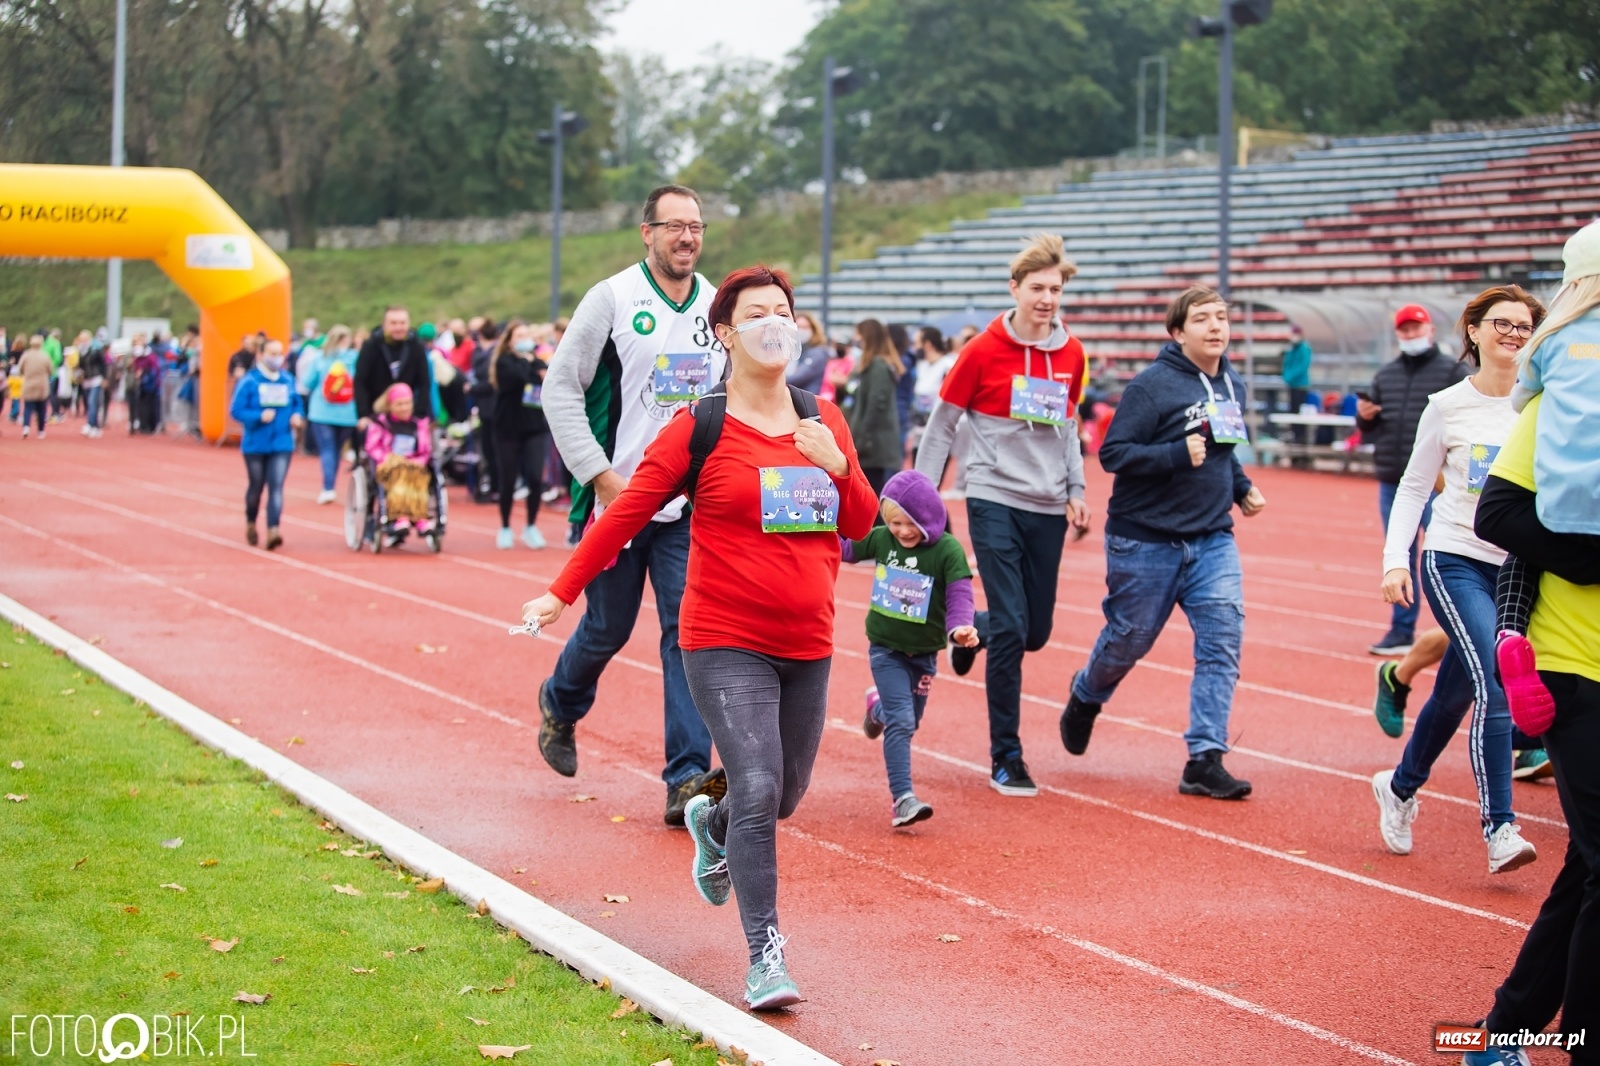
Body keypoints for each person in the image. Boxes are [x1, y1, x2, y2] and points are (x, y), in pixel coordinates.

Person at [521, 264, 877, 1010]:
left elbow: (860, 525)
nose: (775, 323)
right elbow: (621, 515)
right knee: (755, 783)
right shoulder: (700, 426)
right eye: (757, 313)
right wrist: (562, 592)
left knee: (782, 795)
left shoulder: (823, 417)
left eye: (784, 311)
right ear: (725, 332)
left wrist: (840, 466)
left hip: (807, 641)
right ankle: (766, 956)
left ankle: (707, 819)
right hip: (722, 638)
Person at [538, 184, 729, 826]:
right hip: (619, 498)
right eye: (674, 226)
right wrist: (598, 477)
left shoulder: (716, 306)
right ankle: (560, 703)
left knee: (687, 633)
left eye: (696, 226)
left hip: (685, 508)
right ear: (646, 232)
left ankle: (684, 781)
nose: (687, 237)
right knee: (608, 628)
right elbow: (559, 389)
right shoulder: (612, 299)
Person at [1061, 285, 1267, 800]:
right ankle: (1087, 693)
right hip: (1145, 539)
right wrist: (1176, 454)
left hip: (1212, 538)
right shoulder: (1151, 387)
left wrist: (1241, 488)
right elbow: (1114, 454)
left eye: (1221, 317)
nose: (1216, 326)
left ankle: (1204, 757)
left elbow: (1222, 448)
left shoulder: (1232, 384)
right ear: (1178, 332)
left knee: (1222, 642)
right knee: (1131, 638)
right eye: (1202, 319)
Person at [1370, 285, 1545, 874]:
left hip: (1518, 571)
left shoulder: (1543, 405)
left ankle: (1398, 787)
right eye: (1503, 324)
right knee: (1496, 676)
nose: (1514, 335)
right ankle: (1500, 827)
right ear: (1473, 331)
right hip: (1455, 559)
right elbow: (1414, 488)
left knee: (1454, 692)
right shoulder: (1447, 405)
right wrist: (1396, 558)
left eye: (1525, 327)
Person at [913, 233, 1091, 796]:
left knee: (1033, 631)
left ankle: (978, 630)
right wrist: (923, 495)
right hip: (993, 498)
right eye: (1036, 288)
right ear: (1014, 288)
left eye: (1055, 290)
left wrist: (1077, 487)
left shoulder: (1073, 354)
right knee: (1017, 628)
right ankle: (1006, 756)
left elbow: (1068, 428)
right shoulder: (983, 351)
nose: (1046, 299)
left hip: (1047, 504)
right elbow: (941, 425)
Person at [1462, 394, 1600, 1065]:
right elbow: (1498, 514)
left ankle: (1502, 1035)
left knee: (1587, 867)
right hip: (1575, 666)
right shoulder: (1565, 403)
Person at [1491, 220, 1600, 742]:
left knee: (1522, 550)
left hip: (1560, 507)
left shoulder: (1551, 338)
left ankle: (1508, 633)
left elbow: (1521, 397)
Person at [844, 469, 977, 826]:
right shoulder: (881, 539)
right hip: (885, 649)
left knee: (908, 720)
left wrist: (961, 627)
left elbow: (960, 592)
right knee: (902, 721)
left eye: (909, 523)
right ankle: (902, 798)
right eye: (894, 522)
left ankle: (877, 710)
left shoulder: (947, 551)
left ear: (929, 517)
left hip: (924, 653)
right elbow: (843, 549)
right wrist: (811, 531)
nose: (902, 531)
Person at [1356, 304, 1472, 656]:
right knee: (1400, 556)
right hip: (1394, 479)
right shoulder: (1386, 374)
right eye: (1404, 330)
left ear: (1431, 330)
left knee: (1450, 554)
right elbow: (1370, 428)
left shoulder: (1454, 371)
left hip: (1439, 483)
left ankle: (1457, 629)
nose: (1410, 335)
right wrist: (1365, 418)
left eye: (1416, 328)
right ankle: (1402, 629)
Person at [228, 339, 304, 550]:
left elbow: (297, 403)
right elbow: (236, 410)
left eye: (280, 353)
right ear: (261, 355)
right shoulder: (250, 381)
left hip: (282, 443)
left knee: (276, 487)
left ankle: (273, 530)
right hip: (255, 444)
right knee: (256, 487)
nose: (277, 357)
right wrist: (259, 416)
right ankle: (251, 522)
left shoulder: (287, 380)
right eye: (272, 353)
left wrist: (297, 416)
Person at [490, 320, 549, 550]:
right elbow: (521, 378)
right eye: (519, 335)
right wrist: (532, 367)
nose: (524, 339)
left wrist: (536, 366)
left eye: (527, 334)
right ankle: (505, 525)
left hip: (534, 426)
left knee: (535, 477)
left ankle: (531, 526)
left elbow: (545, 379)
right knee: (508, 478)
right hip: (507, 427)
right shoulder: (504, 362)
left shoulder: (537, 360)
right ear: (510, 340)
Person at [365, 383, 435, 544]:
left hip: (413, 465)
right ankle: (400, 516)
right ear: (390, 406)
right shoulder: (380, 424)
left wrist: (416, 461)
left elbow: (425, 451)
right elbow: (372, 447)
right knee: (400, 471)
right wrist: (389, 459)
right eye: (399, 404)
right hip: (389, 465)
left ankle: (420, 517)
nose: (404, 408)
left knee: (417, 473)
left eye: (407, 403)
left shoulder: (419, 425)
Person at [298, 325, 359, 504]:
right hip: (348, 413)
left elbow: (307, 382)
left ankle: (328, 487)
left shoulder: (320, 357)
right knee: (337, 450)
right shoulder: (354, 358)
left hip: (321, 411)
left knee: (327, 450)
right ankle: (330, 484)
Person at [845, 318, 905, 495]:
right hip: (868, 440)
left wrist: (862, 439)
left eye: (859, 334)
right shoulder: (868, 366)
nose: (856, 338)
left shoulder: (878, 366)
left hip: (874, 444)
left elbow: (875, 406)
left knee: (873, 492)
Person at [354, 307, 432, 429]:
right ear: (384, 324)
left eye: (402, 323)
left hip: (406, 413)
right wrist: (363, 415)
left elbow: (424, 382)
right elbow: (360, 381)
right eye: (393, 323)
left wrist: (419, 413)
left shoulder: (416, 346)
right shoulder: (371, 346)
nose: (398, 327)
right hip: (376, 413)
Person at [785, 312, 830, 395]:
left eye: (805, 327)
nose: (801, 331)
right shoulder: (796, 351)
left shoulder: (816, 353)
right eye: (798, 327)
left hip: (809, 401)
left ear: (813, 330)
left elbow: (798, 377)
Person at [17, 335, 51, 438]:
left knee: (28, 407)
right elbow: (50, 370)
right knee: (41, 409)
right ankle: (40, 430)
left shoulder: (26, 355)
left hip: (29, 383)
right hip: (41, 384)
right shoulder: (45, 356)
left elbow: (20, 369)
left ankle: (26, 426)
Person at [1280, 324, 1313, 411]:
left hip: (1301, 385)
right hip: (1292, 384)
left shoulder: (1304, 348)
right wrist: (1286, 376)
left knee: (1299, 411)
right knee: (1292, 409)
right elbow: (1287, 363)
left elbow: (1303, 366)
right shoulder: (1291, 348)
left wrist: (1290, 376)